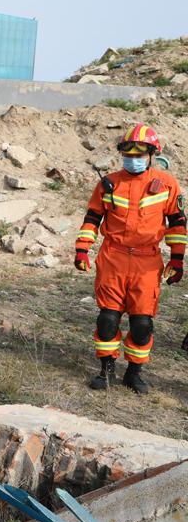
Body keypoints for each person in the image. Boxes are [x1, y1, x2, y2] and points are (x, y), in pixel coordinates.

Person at [75, 123, 186, 394]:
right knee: (108, 319)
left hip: (147, 262)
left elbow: (177, 224)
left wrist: (177, 260)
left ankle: (134, 373)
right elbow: (92, 217)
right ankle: (106, 369)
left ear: (152, 154)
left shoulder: (167, 185)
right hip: (113, 258)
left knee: (141, 323)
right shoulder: (109, 183)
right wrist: (82, 248)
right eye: (128, 154)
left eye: (139, 154)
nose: (133, 159)